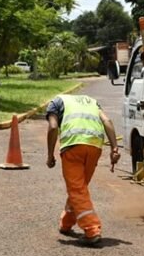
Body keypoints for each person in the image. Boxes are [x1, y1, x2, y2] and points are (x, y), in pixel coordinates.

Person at [45, 94, 120, 246]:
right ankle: (66, 223)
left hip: (73, 147)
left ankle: (92, 230)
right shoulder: (91, 101)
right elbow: (107, 121)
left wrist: (50, 155)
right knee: (80, 188)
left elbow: (53, 127)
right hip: (94, 147)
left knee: (77, 189)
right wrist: (114, 148)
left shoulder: (55, 102)